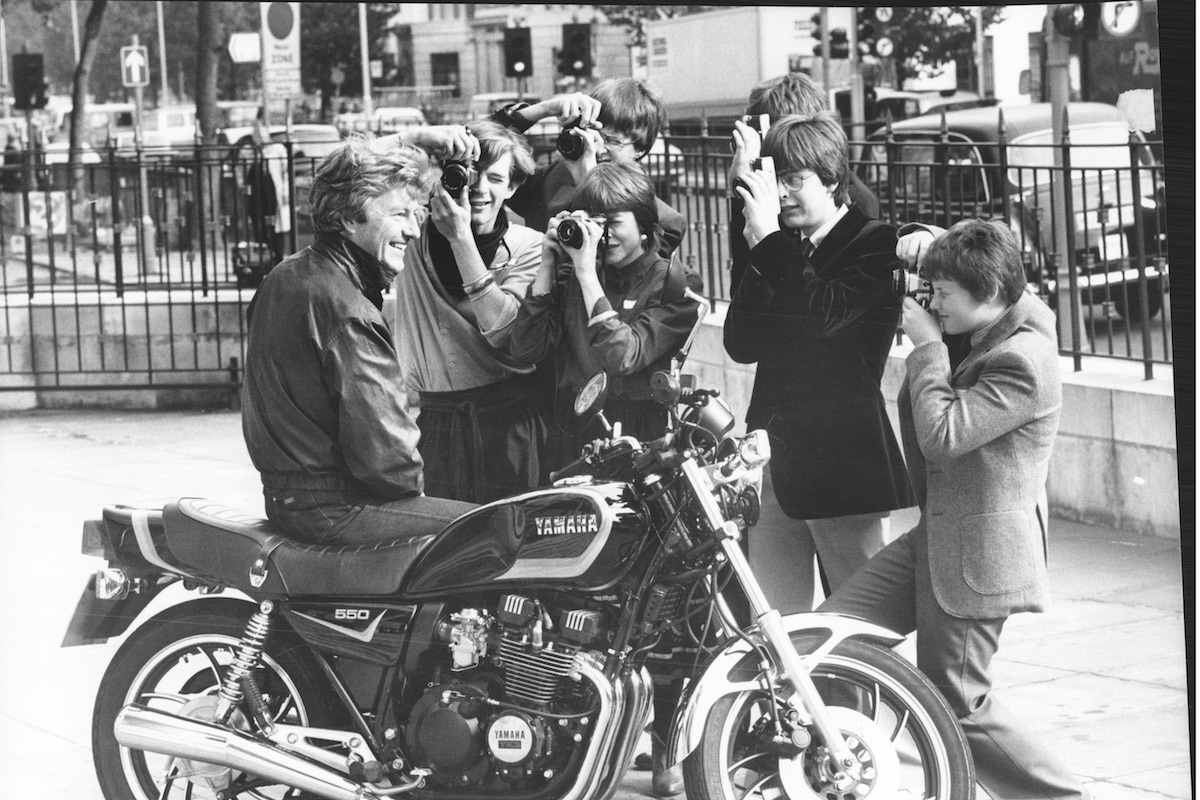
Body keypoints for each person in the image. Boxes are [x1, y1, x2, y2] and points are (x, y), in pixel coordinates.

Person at [820, 219, 1089, 800]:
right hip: (934, 540)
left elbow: (944, 433)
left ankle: (1061, 797)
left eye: (943, 294)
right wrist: (935, 238)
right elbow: (995, 269)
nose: (930, 302)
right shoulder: (1005, 308)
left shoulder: (1025, 360)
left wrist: (929, 350)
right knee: (828, 636)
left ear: (989, 295)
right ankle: (838, 760)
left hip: (978, 558)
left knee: (957, 700)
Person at [241, 134, 476, 545]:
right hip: (336, 506)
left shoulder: (286, 275)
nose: (413, 231)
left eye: (416, 214)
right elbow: (388, 461)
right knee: (492, 530)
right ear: (349, 218)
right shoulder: (348, 309)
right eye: (399, 214)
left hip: (290, 496)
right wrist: (417, 494)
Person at [723, 112, 914, 614]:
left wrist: (768, 243)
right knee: (777, 626)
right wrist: (756, 238)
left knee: (857, 626)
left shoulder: (875, 242)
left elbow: (823, 317)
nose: (782, 193)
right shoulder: (780, 245)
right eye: (775, 180)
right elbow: (741, 342)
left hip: (842, 466)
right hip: (774, 462)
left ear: (832, 179)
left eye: (794, 179)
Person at [488, 159, 698, 474]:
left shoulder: (672, 283)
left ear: (643, 223)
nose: (605, 236)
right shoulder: (572, 272)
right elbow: (525, 349)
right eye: (597, 224)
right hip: (574, 430)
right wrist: (547, 265)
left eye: (613, 222)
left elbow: (622, 357)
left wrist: (587, 275)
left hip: (640, 437)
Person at [392, 120, 546, 503]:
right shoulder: (412, 231)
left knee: (514, 548)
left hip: (506, 419)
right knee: (443, 550)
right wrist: (412, 137)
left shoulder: (530, 246)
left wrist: (460, 238)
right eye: (470, 176)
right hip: (437, 419)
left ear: (512, 188)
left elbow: (506, 333)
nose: (479, 190)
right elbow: (348, 176)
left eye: (495, 179)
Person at [490, 79, 691, 267]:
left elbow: (619, 281)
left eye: (612, 141)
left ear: (640, 148)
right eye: (593, 134)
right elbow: (480, 150)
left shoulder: (666, 223)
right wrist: (543, 109)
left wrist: (589, 181)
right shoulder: (553, 180)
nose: (598, 147)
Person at [729, 72, 880, 294]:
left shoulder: (853, 205)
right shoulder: (776, 194)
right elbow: (742, 293)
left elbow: (813, 305)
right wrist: (742, 192)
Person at [242, 115, 291, 268]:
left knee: (276, 227)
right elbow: (241, 173)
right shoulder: (248, 152)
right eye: (257, 135)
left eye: (263, 135)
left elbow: (285, 173)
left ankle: (277, 257)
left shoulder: (277, 150)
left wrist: (285, 192)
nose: (261, 138)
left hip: (273, 193)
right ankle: (264, 259)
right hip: (256, 196)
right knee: (259, 226)